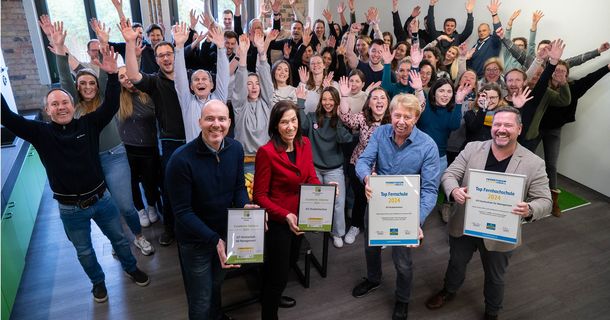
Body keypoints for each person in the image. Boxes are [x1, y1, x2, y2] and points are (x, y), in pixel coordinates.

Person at [1, 45, 149, 304]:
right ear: (47, 110)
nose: (60, 107)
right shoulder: (40, 132)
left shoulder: (88, 124)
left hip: (102, 201)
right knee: (84, 252)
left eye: (65, 102)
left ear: (73, 104)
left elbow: (112, 103)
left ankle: (130, 267)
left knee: (119, 240)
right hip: (70, 209)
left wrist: (113, 76)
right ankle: (98, 283)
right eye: (54, 104)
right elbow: (6, 116)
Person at [425, 106, 552, 320]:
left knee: (495, 276)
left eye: (508, 125)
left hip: (501, 231)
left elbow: (546, 201)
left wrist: (530, 209)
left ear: (519, 129)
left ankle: (492, 311)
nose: (501, 129)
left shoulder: (534, 163)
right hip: (464, 223)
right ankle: (449, 290)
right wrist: (454, 190)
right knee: (456, 262)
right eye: (497, 124)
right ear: (491, 127)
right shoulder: (472, 148)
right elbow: (449, 175)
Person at [46, 19, 155, 256]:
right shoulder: (72, 105)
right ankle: (120, 243)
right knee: (110, 208)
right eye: (82, 83)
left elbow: (108, 78)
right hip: (90, 161)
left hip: (115, 156)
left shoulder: (107, 101)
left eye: (91, 83)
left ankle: (138, 236)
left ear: (97, 85)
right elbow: (65, 77)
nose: (87, 86)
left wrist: (105, 44)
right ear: (76, 87)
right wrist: (59, 49)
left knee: (126, 206)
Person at [353, 94, 440, 320]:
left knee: (402, 261)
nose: (401, 121)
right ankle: (373, 279)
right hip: (377, 202)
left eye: (407, 117)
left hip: (406, 212)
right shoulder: (381, 133)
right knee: (371, 246)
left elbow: (430, 191)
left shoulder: (427, 146)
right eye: (397, 115)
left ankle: (402, 299)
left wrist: (416, 220)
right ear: (391, 115)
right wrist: (366, 178)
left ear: (416, 118)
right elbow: (363, 161)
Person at [166, 99, 253, 320]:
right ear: (199, 122)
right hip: (196, 242)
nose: (216, 124)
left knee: (215, 285)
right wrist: (214, 239)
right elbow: (182, 212)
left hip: (224, 233)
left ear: (229, 122)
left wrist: (245, 207)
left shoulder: (235, 148)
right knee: (200, 300)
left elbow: (238, 188)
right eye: (210, 119)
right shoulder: (180, 160)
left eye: (222, 119)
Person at [253, 101, 322, 319]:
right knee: (279, 276)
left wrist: (324, 193)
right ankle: (269, 311)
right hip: (279, 221)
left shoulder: (305, 144)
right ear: (275, 126)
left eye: (293, 120)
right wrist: (284, 215)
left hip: (301, 217)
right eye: (284, 122)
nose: (290, 126)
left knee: (290, 262)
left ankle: (270, 295)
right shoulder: (266, 152)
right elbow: (260, 196)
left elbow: (310, 176)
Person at [121, 18, 186, 246]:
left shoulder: (189, 78)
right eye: (161, 56)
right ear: (156, 60)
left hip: (195, 139)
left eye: (170, 54)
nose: (166, 58)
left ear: (175, 56)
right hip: (170, 141)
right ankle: (170, 228)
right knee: (169, 186)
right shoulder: (154, 82)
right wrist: (130, 44)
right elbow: (132, 74)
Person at [539, 61, 610, 216]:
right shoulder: (542, 84)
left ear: (567, 74)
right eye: (556, 70)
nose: (559, 73)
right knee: (523, 160)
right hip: (534, 129)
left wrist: (607, 68)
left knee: (551, 165)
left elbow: (590, 78)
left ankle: (553, 200)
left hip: (554, 131)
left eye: (563, 71)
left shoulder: (573, 88)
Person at [297, 85, 352, 248]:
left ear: (336, 102)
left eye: (331, 99)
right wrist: (300, 102)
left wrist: (340, 118)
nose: (328, 102)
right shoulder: (314, 116)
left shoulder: (340, 120)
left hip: (334, 169)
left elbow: (344, 139)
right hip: (314, 167)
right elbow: (303, 127)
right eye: (325, 99)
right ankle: (316, 225)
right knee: (314, 199)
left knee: (337, 201)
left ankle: (337, 233)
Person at [117, 66, 162, 228]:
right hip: (127, 149)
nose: (126, 78)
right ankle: (140, 210)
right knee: (132, 183)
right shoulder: (118, 98)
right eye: (122, 77)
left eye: (127, 74)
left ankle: (151, 206)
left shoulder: (147, 94)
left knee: (151, 181)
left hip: (149, 147)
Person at [173, 23, 229, 142]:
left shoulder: (218, 99)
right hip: (194, 156)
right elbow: (180, 78)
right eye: (196, 80)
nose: (200, 82)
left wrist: (221, 47)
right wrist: (178, 47)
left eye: (204, 79)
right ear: (191, 87)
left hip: (216, 152)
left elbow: (223, 74)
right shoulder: (187, 102)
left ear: (212, 85)